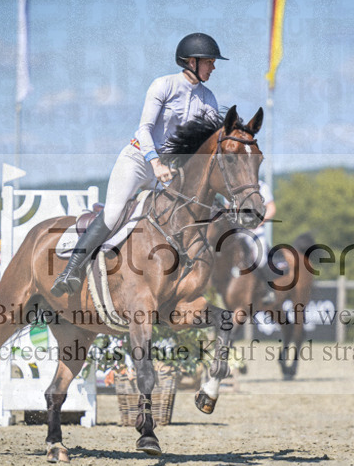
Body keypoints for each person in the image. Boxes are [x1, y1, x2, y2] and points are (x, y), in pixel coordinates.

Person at [51, 32, 227, 297]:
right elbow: (144, 129)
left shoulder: (208, 98)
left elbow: (206, 146)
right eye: (210, 62)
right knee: (113, 214)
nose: (213, 67)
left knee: (184, 215)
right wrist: (155, 163)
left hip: (169, 170)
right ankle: (71, 270)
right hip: (138, 160)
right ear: (192, 61)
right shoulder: (163, 85)